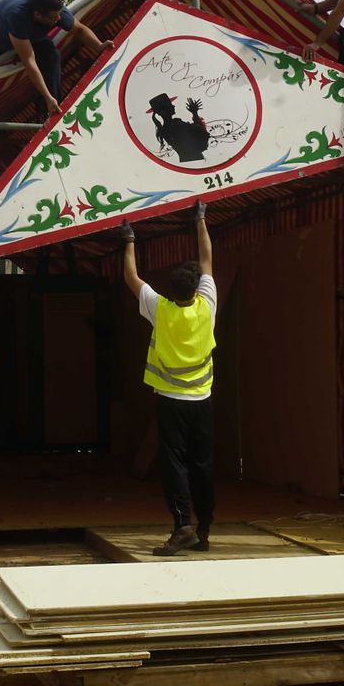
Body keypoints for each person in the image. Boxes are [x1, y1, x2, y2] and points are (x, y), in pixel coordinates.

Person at [121, 201, 217, 556]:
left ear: (171, 290)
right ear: (196, 288)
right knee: (203, 464)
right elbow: (206, 258)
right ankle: (204, 529)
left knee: (175, 464)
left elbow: (131, 277)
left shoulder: (159, 309)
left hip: (170, 402)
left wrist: (130, 239)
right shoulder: (207, 305)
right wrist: (201, 219)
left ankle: (182, 526)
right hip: (202, 400)